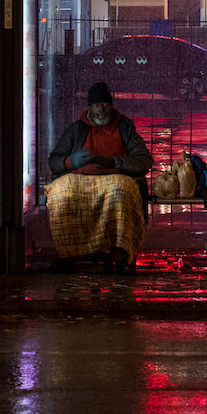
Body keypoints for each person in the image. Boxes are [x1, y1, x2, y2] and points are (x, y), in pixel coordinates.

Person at [45, 81, 153, 273]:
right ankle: (68, 255)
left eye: (104, 105)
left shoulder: (124, 127)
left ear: (111, 106)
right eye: (96, 106)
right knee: (61, 193)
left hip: (114, 176)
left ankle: (121, 254)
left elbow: (143, 160)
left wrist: (113, 162)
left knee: (121, 192)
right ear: (89, 108)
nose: (101, 110)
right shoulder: (76, 129)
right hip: (80, 177)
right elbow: (54, 160)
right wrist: (71, 161)